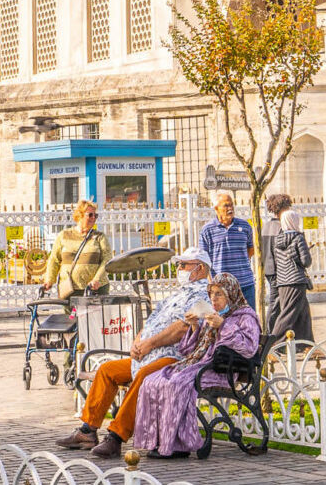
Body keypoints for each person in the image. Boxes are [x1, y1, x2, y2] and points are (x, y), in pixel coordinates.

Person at [60, 248, 214, 459]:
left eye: (184, 265)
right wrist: (137, 341)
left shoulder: (204, 294)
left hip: (175, 357)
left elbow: (183, 328)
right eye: (179, 265)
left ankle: (116, 437)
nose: (179, 269)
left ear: (200, 268)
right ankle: (87, 430)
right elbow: (153, 320)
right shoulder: (178, 293)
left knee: (144, 377)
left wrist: (149, 343)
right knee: (107, 370)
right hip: (149, 352)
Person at [129, 275, 263, 460]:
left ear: (231, 295)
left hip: (223, 370)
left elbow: (248, 347)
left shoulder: (245, 316)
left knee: (176, 384)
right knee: (152, 380)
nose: (213, 299)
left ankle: (179, 445)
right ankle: (157, 440)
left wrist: (223, 326)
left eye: (219, 294)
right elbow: (188, 350)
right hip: (199, 365)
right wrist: (194, 327)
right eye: (211, 294)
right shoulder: (213, 315)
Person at [42, 201, 112, 299]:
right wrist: (49, 280)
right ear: (80, 215)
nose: (93, 218)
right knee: (70, 315)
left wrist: (97, 280)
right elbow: (54, 260)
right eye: (90, 215)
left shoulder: (99, 237)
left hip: (94, 289)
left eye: (95, 215)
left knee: (94, 315)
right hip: (69, 288)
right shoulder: (64, 235)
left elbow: (107, 260)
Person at [266, 210, 314, 342]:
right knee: (288, 314)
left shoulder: (278, 240)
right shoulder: (298, 238)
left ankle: (307, 344)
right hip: (296, 280)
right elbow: (306, 262)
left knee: (303, 314)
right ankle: (272, 344)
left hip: (282, 282)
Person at [198, 192, 256, 302]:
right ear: (216, 208)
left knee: (248, 318)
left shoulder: (244, 226)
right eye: (226, 205)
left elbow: (251, 248)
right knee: (223, 319)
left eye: (231, 205)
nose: (230, 208)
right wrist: (211, 284)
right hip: (221, 287)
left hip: (245, 284)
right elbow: (203, 259)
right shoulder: (207, 230)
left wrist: (240, 262)